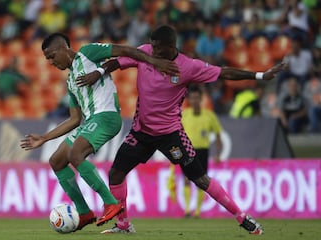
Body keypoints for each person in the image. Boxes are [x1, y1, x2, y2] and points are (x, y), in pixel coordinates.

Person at [77, 25, 285, 235]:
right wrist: (99, 72)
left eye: (158, 48)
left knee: (200, 179)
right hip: (141, 132)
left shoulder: (188, 66)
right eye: (153, 46)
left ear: (171, 46)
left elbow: (224, 73)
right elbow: (118, 61)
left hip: (171, 134)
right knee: (116, 173)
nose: (153, 51)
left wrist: (259, 76)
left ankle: (242, 217)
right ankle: (123, 224)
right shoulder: (145, 53)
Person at [20, 33, 178, 231]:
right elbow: (75, 119)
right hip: (91, 121)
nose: (51, 62)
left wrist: (154, 62)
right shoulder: (71, 82)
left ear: (63, 48)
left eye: (51, 56)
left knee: (75, 153)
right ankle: (84, 212)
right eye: (47, 59)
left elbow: (126, 50)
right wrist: (44, 138)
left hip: (107, 117)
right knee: (57, 161)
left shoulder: (87, 53)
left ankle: (111, 203)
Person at [168, 85, 223, 218]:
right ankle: (187, 210)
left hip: (203, 151)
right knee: (187, 179)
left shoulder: (209, 116)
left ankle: (197, 212)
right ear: (189, 100)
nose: (195, 101)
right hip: (187, 150)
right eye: (192, 98)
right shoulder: (184, 115)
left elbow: (218, 136)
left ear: (201, 99)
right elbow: (175, 134)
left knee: (201, 181)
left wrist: (218, 154)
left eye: (197, 98)